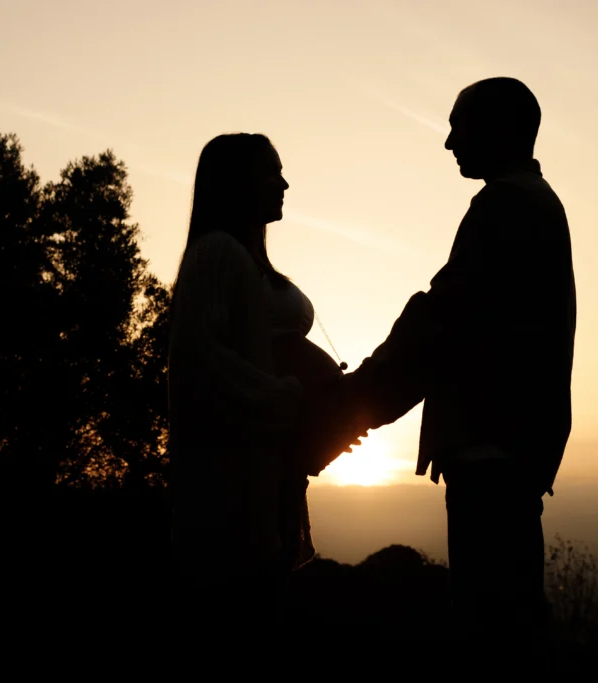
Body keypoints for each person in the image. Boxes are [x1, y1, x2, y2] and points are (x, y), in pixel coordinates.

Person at [342, 77, 577, 644]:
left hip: (491, 450)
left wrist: (351, 407)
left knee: (491, 627)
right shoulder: (536, 204)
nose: (449, 143)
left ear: (500, 129)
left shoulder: (505, 206)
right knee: (508, 618)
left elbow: (441, 323)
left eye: (458, 126)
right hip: (516, 447)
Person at [168, 133, 364, 635]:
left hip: (270, 471)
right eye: (270, 172)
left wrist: (323, 407)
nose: (284, 183)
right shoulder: (215, 254)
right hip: (234, 482)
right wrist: (294, 399)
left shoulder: (245, 260)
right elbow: (203, 360)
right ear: (235, 182)